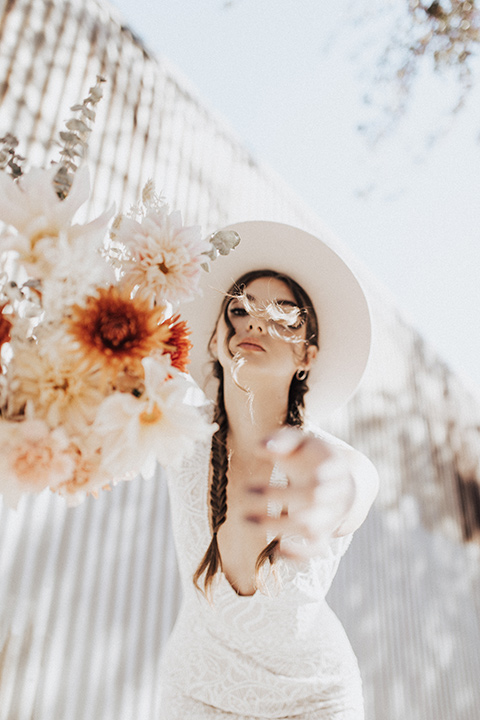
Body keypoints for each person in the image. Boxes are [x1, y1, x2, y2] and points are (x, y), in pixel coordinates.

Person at [158, 221, 379, 719]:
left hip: (314, 697)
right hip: (197, 689)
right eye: (238, 309)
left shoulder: (327, 459)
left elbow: (356, 483)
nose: (255, 322)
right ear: (215, 340)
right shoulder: (171, 427)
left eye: (284, 316)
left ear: (308, 355)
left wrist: (331, 494)